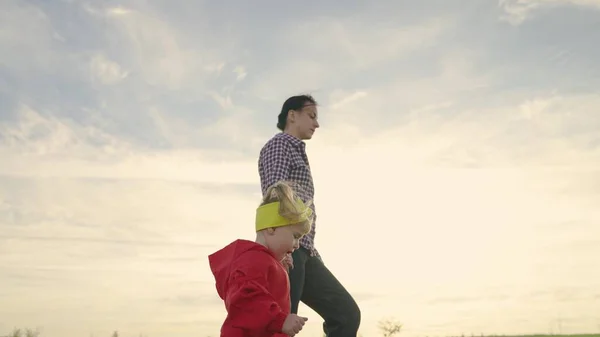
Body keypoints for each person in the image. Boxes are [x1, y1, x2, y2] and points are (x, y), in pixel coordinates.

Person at [258, 95, 361, 337]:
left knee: (346, 314)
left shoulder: (296, 150)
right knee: (283, 326)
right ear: (292, 115)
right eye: (311, 116)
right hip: (288, 251)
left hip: (305, 250)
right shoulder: (280, 144)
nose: (317, 124)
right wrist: (281, 252)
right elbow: (276, 194)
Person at [208, 181, 313, 337]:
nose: (297, 245)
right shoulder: (252, 261)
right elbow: (247, 299)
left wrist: (280, 266)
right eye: (295, 236)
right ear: (271, 228)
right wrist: (280, 320)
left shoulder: (262, 261)